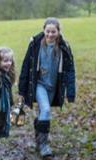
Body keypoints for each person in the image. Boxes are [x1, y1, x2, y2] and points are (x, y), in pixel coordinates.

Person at [18, 17, 76, 158]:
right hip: (39, 85)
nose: (50, 34)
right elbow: (26, 66)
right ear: (44, 30)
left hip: (53, 87)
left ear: (58, 32)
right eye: (48, 31)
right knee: (46, 110)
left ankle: (39, 139)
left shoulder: (64, 47)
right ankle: (44, 146)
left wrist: (71, 92)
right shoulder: (35, 45)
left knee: (42, 114)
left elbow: (70, 70)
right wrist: (21, 90)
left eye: (53, 32)